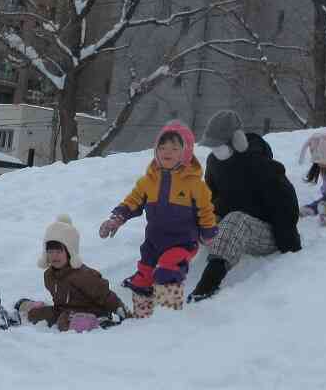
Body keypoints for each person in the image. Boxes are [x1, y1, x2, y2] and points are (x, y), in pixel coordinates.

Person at [99, 120, 218, 315]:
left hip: (182, 243)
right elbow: (133, 202)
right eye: (162, 147)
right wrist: (116, 219)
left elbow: (205, 212)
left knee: (167, 272)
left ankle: (167, 318)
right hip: (153, 243)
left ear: (186, 152)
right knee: (142, 279)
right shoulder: (148, 182)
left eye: (174, 147)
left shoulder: (195, 185)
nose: (167, 152)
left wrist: (208, 234)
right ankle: (142, 318)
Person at [189, 109, 302, 301]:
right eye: (212, 147)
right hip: (230, 229)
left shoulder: (261, 166)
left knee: (236, 219)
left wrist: (290, 246)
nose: (215, 151)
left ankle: (209, 282)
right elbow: (210, 195)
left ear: (237, 141)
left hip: (267, 232)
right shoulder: (214, 162)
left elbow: (286, 205)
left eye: (219, 146)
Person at [18, 216, 128, 331]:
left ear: (70, 252)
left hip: (92, 311)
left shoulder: (82, 275)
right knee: (35, 315)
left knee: (66, 322)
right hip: (64, 311)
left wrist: (121, 310)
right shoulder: (49, 276)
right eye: (50, 252)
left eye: (59, 251)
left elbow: (105, 295)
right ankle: (30, 306)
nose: (54, 256)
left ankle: (100, 322)